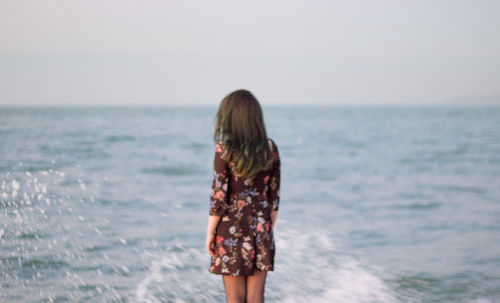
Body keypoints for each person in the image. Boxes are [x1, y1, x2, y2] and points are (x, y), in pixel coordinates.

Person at [205, 89, 281, 303]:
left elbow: (219, 197)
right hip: (261, 226)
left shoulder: (224, 149)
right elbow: (273, 199)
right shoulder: (270, 148)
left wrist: (210, 233)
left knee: (235, 298)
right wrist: (264, 229)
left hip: (231, 228)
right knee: (256, 297)